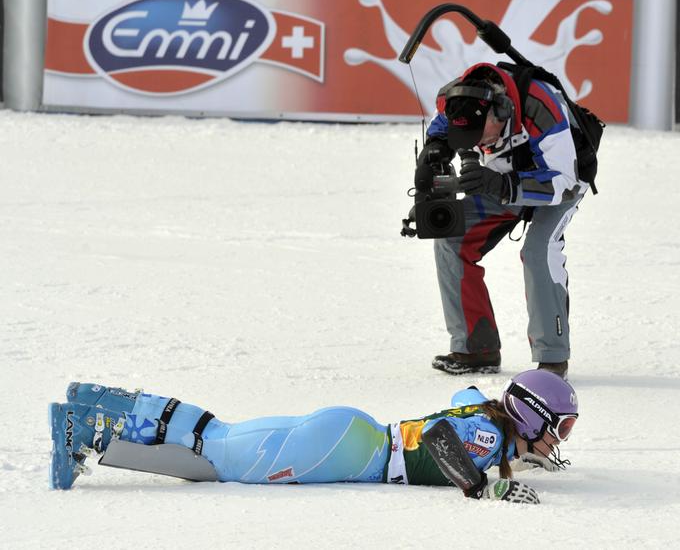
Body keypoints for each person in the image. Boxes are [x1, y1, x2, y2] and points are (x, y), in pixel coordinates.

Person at [49, 369, 578, 505]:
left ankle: (99, 404)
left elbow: (465, 397)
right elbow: (442, 438)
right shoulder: (484, 439)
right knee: (224, 458)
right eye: (558, 428)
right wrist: (482, 486)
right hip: (349, 451)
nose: (560, 440)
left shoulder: (486, 419)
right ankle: (86, 427)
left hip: (352, 433)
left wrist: (525, 455)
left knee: (220, 436)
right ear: (531, 418)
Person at [417, 62, 590, 379]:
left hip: (560, 182)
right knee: (452, 237)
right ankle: (476, 348)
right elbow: (442, 130)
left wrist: (503, 186)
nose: (473, 144)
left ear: (502, 112)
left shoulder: (542, 107)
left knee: (539, 252)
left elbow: (564, 180)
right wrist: (433, 152)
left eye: (478, 135)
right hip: (499, 178)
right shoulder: (459, 99)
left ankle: (552, 359)